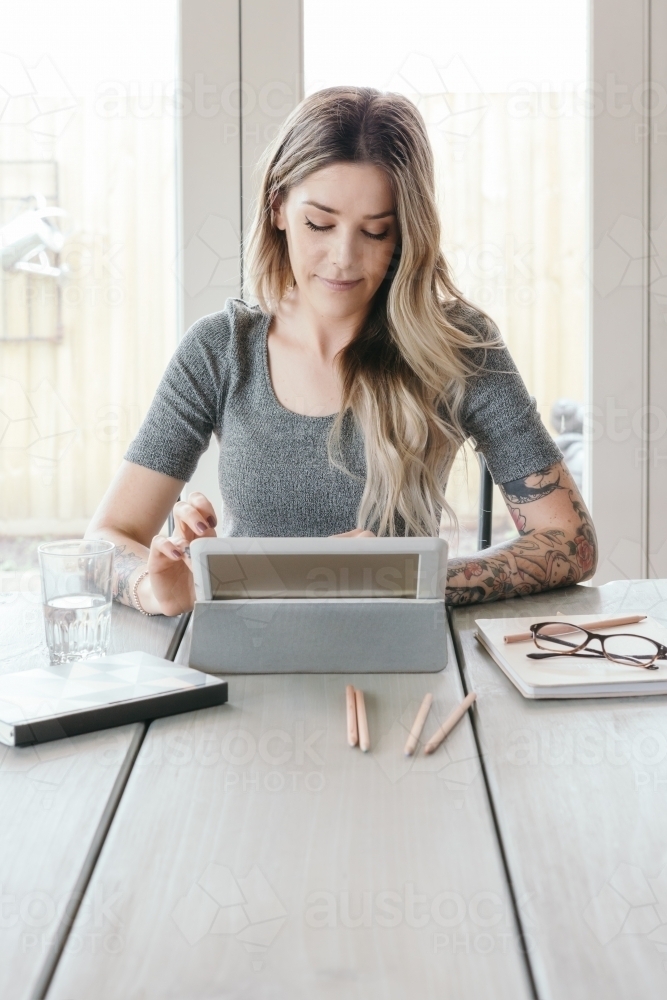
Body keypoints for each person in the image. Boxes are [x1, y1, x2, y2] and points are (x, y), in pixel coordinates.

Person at [86, 86, 597, 616]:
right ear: (278, 207)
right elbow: (106, 537)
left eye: (375, 232)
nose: (343, 259)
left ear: (403, 237)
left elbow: (570, 542)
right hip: (249, 652)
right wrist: (157, 588)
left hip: (398, 652)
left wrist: (407, 575)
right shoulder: (220, 351)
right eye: (320, 224)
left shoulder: (459, 346)